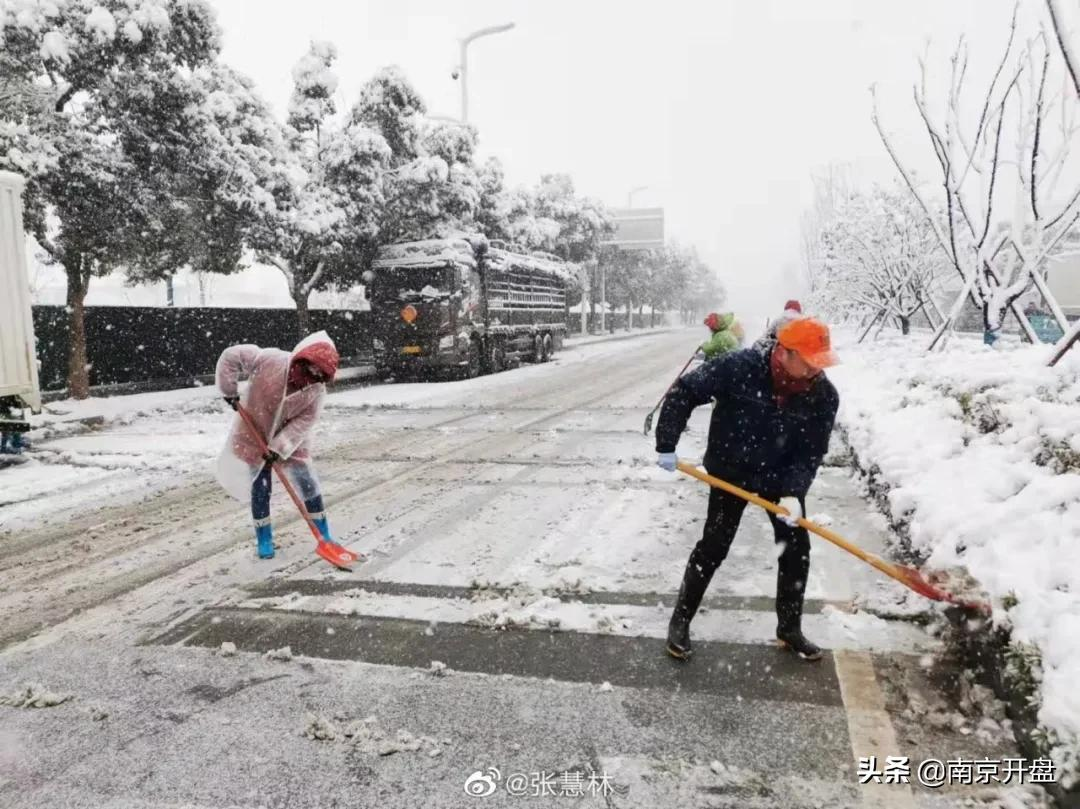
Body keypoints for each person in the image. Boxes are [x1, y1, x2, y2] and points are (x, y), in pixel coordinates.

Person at [656, 318, 840, 662]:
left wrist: (793, 490)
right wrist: (667, 442)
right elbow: (686, 391)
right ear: (784, 353)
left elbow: (811, 451)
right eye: (811, 361)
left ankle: (789, 628)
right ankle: (680, 622)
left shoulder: (823, 395)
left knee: (795, 550)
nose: (817, 370)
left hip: (782, 479)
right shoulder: (739, 367)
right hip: (731, 473)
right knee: (713, 546)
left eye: (821, 361)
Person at [215, 331, 340, 559]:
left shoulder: (316, 392)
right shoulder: (270, 360)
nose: (311, 379)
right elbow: (231, 356)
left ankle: (324, 535)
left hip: (292, 441)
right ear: (301, 360)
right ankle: (264, 538)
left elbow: (304, 422)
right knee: (261, 485)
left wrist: (279, 447)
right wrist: (228, 390)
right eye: (309, 371)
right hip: (254, 430)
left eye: (318, 376)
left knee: (307, 483)